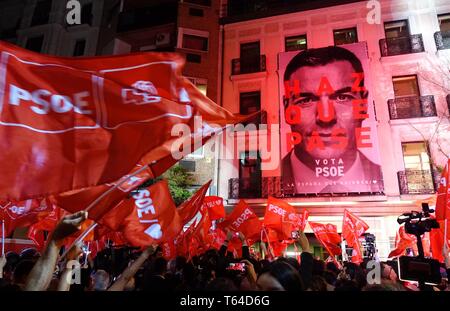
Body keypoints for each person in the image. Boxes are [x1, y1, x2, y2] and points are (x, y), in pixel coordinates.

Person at [281, 46, 383, 194]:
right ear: (286, 108)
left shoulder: (381, 177)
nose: (326, 117)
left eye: (343, 97)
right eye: (306, 100)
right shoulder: (273, 179)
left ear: (364, 104)